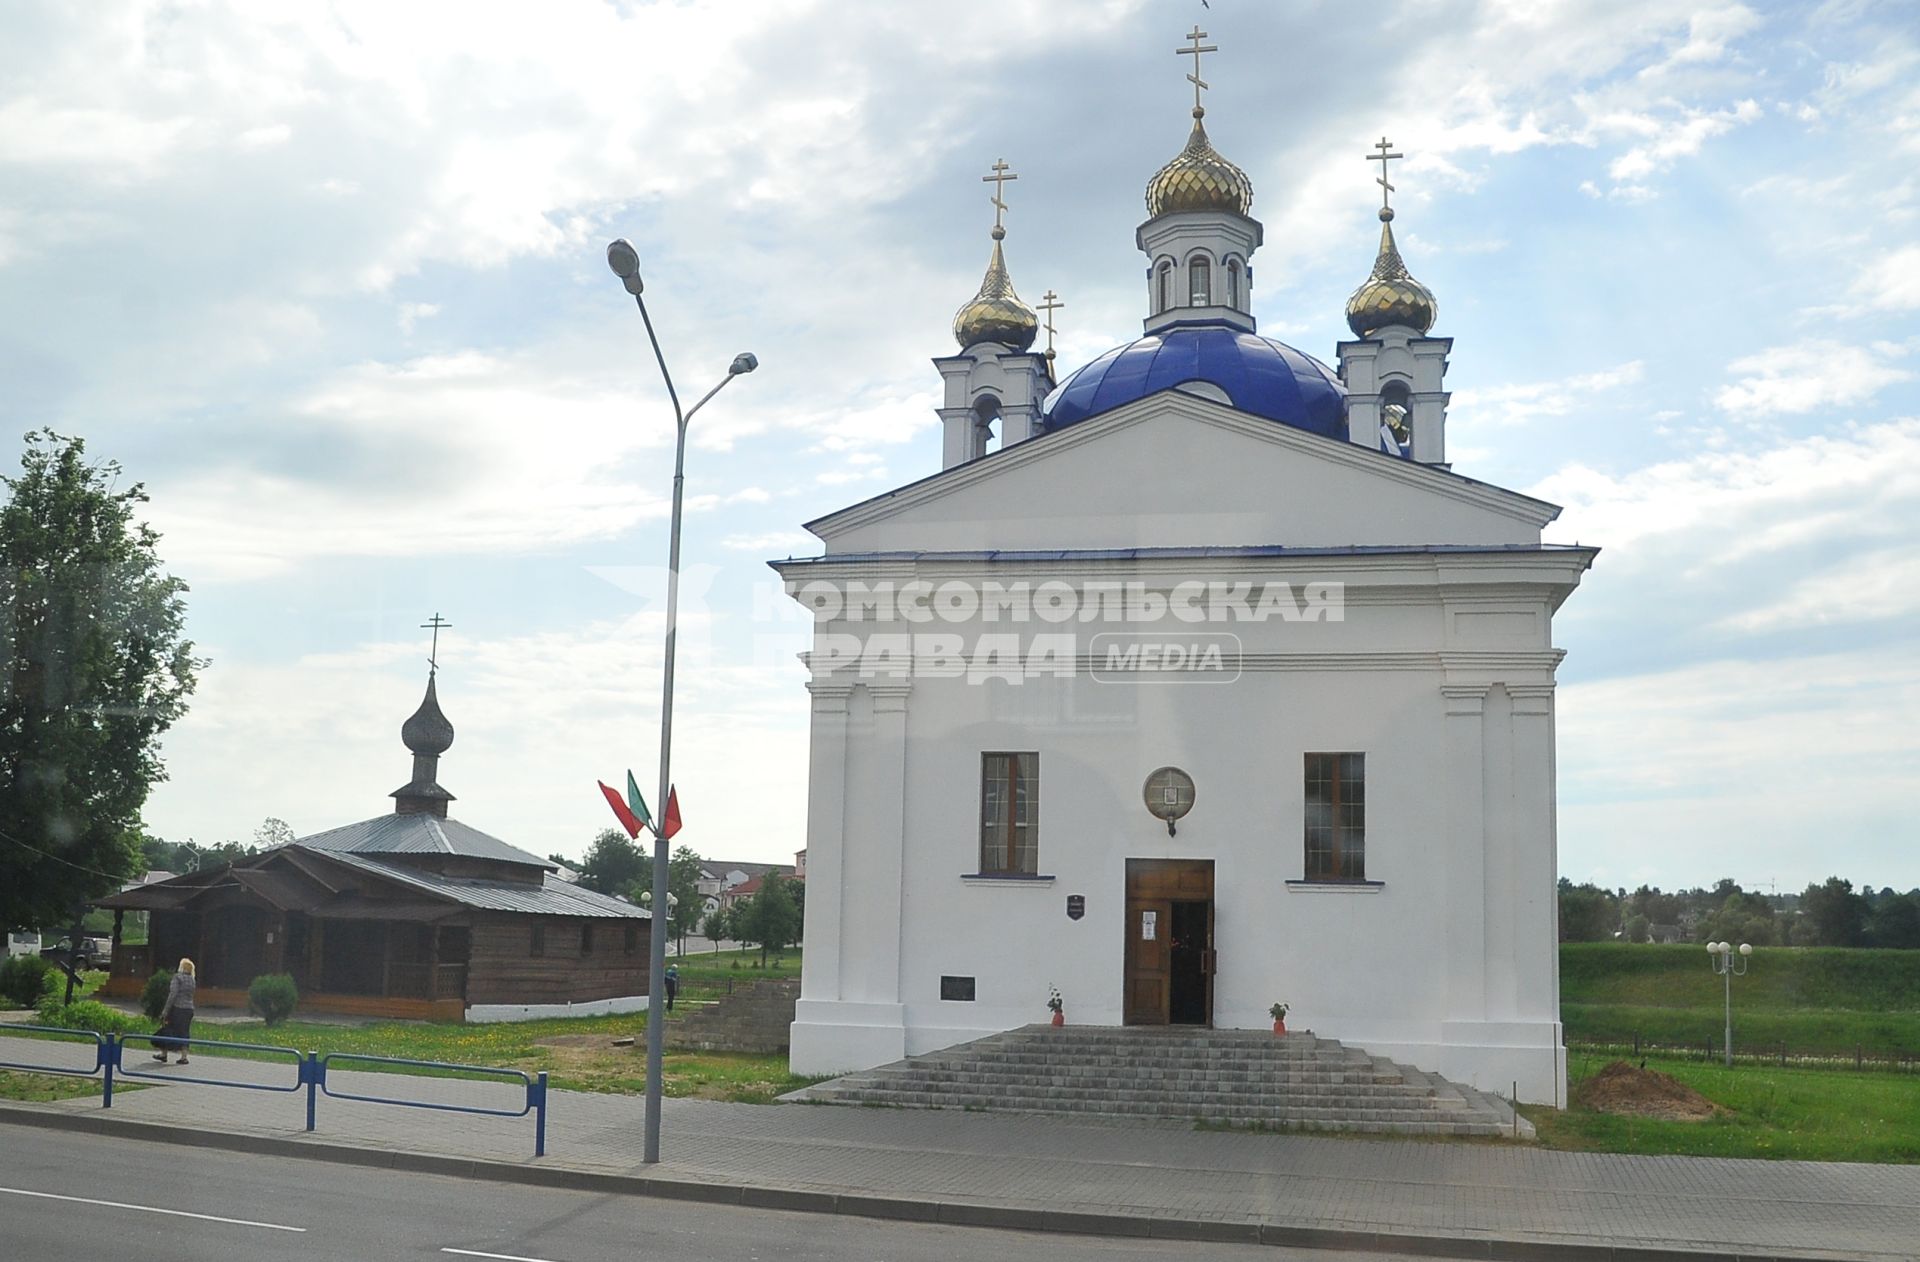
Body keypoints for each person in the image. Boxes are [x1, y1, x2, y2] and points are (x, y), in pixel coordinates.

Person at [153, 957, 196, 1065]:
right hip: (189, 1009)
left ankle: (164, 1054)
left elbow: (172, 995)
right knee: (185, 1032)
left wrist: (165, 1011)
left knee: (167, 1029)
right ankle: (184, 1056)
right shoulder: (192, 980)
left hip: (177, 1008)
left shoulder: (177, 978)